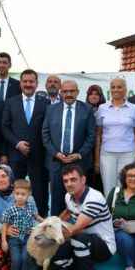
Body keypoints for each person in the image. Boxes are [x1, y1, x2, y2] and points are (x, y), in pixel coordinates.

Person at [53, 165, 115, 270]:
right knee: (56, 255)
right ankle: (77, 269)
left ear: (83, 180)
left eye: (73, 179)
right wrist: (53, 224)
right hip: (84, 240)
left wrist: (51, 234)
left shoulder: (94, 198)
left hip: (104, 246)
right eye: (66, 181)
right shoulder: (68, 196)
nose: (69, 184)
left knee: (77, 237)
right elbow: (68, 212)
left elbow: (75, 228)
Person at [42, 80, 96, 215]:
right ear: (61, 92)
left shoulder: (87, 110)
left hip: (79, 162)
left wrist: (79, 154)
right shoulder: (51, 109)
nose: (69, 94)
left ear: (77, 92)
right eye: (65, 91)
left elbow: (91, 136)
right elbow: (45, 134)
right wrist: (55, 153)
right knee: (56, 200)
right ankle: (55, 231)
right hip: (56, 162)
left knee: (79, 199)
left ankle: (78, 231)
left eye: (72, 91)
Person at [2, 69, 50, 215]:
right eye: (25, 81)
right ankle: (14, 218)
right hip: (16, 155)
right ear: (20, 83)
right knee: (15, 190)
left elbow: (48, 128)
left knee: (40, 191)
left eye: (31, 81)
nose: (28, 84)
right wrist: (17, 143)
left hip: (39, 156)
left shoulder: (45, 103)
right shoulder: (10, 102)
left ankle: (40, 221)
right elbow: (4, 127)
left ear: (36, 84)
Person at [95, 78, 135, 197]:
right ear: (110, 90)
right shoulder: (102, 108)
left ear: (125, 90)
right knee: (108, 189)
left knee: (126, 186)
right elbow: (98, 134)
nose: (116, 90)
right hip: (107, 154)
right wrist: (97, 159)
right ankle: (109, 215)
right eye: (113, 87)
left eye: (119, 87)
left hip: (128, 153)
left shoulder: (134, 108)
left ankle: (125, 214)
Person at [1, 179, 41, 270]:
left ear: (29, 194)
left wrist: (46, 222)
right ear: (14, 194)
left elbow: (37, 217)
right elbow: (5, 225)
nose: (20, 197)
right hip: (14, 239)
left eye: (23, 194)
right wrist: (4, 241)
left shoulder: (30, 207)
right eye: (17, 194)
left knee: (25, 258)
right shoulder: (10, 210)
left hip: (27, 239)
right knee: (17, 259)